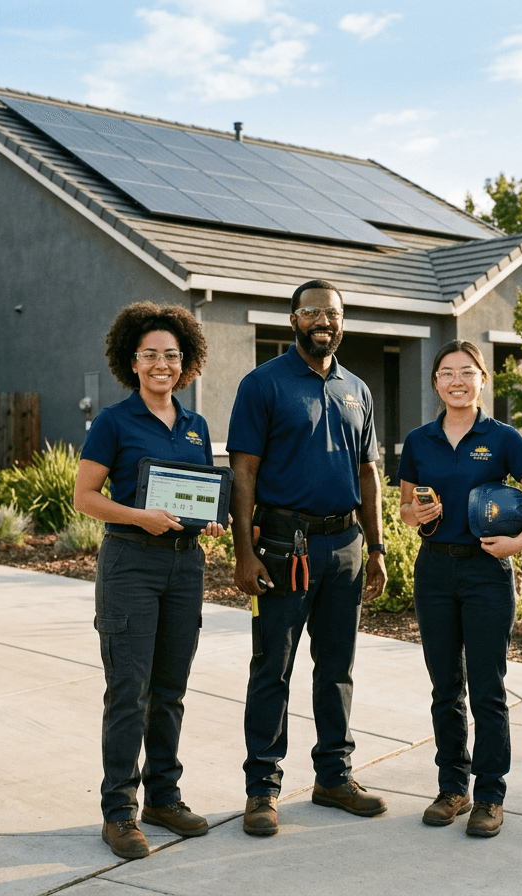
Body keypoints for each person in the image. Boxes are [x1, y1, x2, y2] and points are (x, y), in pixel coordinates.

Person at [228, 279, 388, 837]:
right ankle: (262, 789)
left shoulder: (357, 390)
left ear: (343, 322)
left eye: (334, 314)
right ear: (294, 319)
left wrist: (377, 546)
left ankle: (334, 777)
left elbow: (368, 473)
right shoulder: (262, 384)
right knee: (272, 666)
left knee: (337, 668)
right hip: (282, 547)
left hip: (344, 546)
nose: (325, 321)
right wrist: (243, 552)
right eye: (314, 312)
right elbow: (243, 471)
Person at [74, 301, 225, 860]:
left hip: (185, 565)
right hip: (131, 564)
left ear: (186, 363)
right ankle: (120, 812)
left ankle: (165, 796)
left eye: (172, 355)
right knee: (128, 693)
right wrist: (141, 516)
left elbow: (199, 492)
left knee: (170, 691)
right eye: (151, 355)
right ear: (132, 361)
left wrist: (207, 519)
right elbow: (85, 497)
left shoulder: (195, 425)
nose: (162, 364)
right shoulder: (114, 422)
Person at [398, 340, 522, 838]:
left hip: (487, 573)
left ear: (482, 380)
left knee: (487, 687)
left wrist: (517, 544)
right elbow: (405, 508)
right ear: (436, 383)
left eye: (467, 372)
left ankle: (490, 794)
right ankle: (452, 787)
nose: (457, 381)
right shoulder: (419, 440)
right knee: (445, 686)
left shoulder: (503, 437)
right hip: (435, 571)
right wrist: (415, 514)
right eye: (447, 373)